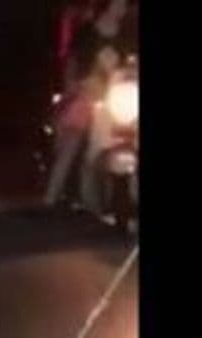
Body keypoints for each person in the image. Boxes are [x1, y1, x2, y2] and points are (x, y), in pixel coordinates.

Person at [43, 0, 128, 209]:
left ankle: (92, 201)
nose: (122, 7)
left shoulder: (124, 35)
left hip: (113, 99)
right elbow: (73, 61)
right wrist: (73, 88)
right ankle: (54, 197)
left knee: (94, 151)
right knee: (72, 145)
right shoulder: (90, 32)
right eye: (118, 4)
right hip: (86, 96)